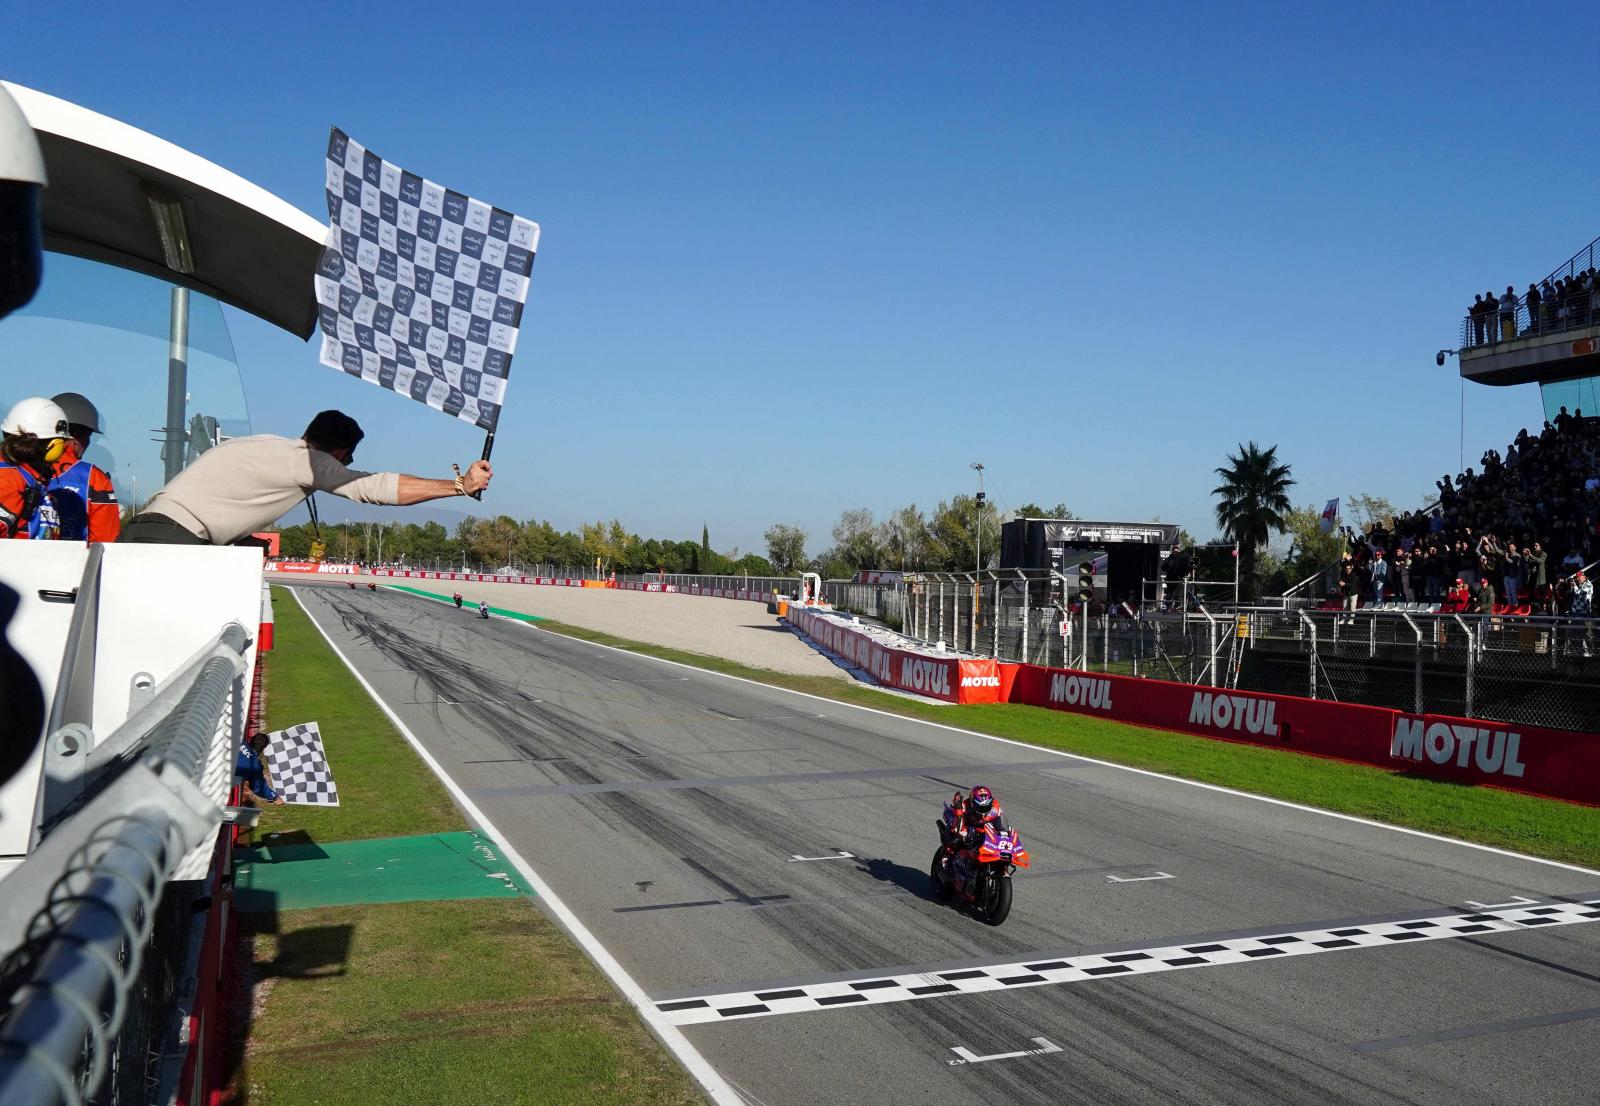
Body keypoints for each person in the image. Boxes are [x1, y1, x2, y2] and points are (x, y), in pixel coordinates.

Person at [120, 409, 492, 545]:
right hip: (174, 541)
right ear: (340, 453)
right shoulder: (307, 461)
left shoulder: (264, 445)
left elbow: (221, 497)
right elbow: (371, 487)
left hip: (141, 529)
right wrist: (460, 485)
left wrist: (241, 539)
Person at [48, 392, 120, 542]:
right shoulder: (94, 479)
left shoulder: (19, 469)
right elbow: (106, 543)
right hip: (75, 564)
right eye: (88, 437)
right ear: (77, 436)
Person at [0, 397, 71, 539]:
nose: (65, 447)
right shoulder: (9, 480)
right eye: (61, 442)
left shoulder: (32, 480)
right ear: (51, 445)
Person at [938, 785, 1008, 875]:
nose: (983, 812)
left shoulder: (996, 808)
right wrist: (958, 815)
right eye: (980, 808)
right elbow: (956, 826)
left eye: (986, 807)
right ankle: (946, 857)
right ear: (972, 803)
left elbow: (1001, 824)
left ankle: (1003, 870)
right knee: (955, 835)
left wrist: (1003, 834)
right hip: (969, 829)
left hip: (986, 832)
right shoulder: (964, 806)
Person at [236, 732, 285, 806]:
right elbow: (259, 788)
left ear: (251, 740)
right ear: (263, 748)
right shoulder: (255, 766)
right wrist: (275, 797)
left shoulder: (238, 740)